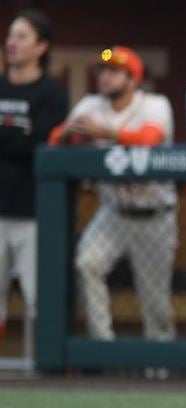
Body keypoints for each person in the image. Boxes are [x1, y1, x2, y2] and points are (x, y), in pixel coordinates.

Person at [52, 46, 177, 341]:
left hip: (154, 213)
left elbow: (148, 138)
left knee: (155, 299)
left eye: (114, 72)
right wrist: (67, 134)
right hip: (113, 211)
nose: (105, 77)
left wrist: (105, 132)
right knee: (87, 264)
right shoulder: (90, 105)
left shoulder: (155, 104)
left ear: (133, 79)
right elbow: (54, 139)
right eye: (102, 71)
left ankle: (159, 368)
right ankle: (102, 343)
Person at [0, 9, 67, 342]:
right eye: (10, 35)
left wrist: (13, 141)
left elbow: (41, 142)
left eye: (22, 36)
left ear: (41, 46)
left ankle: (45, 367)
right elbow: (23, 141)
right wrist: (19, 138)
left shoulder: (52, 93)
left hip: (33, 210)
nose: (12, 43)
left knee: (39, 295)